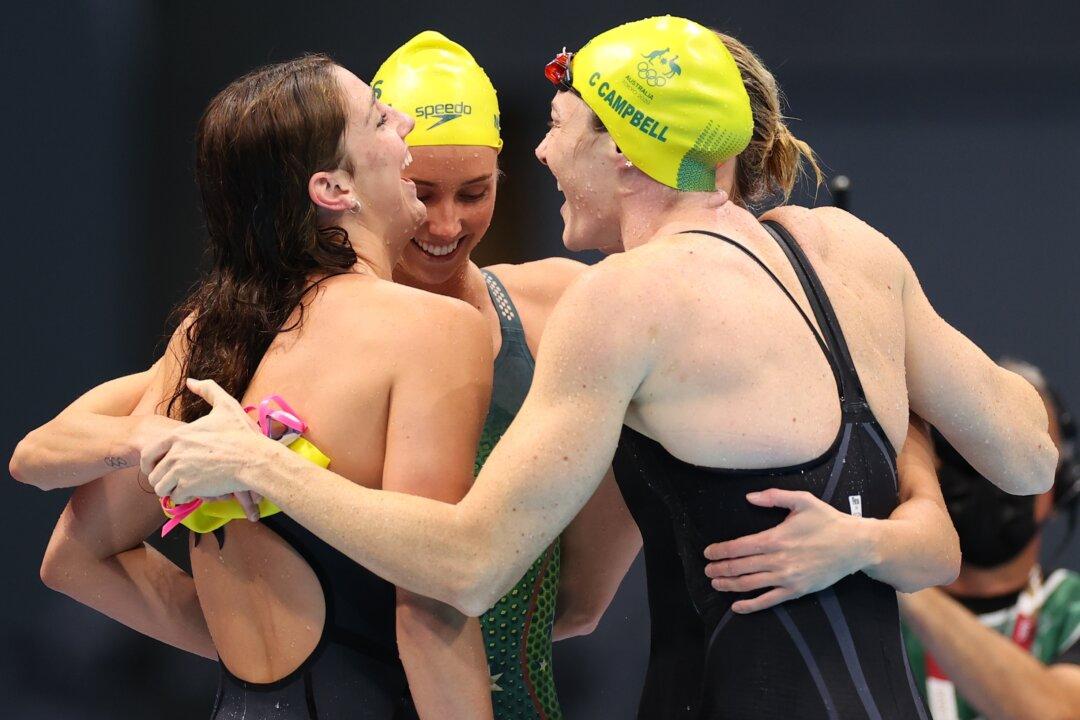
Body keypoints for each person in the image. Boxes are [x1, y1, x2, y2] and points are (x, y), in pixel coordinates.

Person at [144, 16, 1056, 718]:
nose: (541, 153)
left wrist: (263, 467)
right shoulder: (852, 253)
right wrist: (896, 484)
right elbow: (1027, 457)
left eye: (558, 128)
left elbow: (466, 569)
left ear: (624, 150)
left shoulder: (626, 299)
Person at [10, 55, 496, 719]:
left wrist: (256, 646)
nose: (406, 122)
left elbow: (73, 558)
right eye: (380, 118)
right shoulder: (433, 330)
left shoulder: (212, 337)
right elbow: (430, 603)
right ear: (333, 189)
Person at [372, 31, 640, 719]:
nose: (445, 222)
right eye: (420, 193)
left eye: (474, 192)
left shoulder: (560, 306)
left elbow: (579, 602)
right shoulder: (309, 326)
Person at [901, 359, 1080, 720]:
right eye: (962, 454)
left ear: (1059, 488)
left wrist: (901, 584)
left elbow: (1062, 711)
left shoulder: (1071, 608)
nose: (988, 473)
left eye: (1020, 454)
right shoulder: (870, 610)